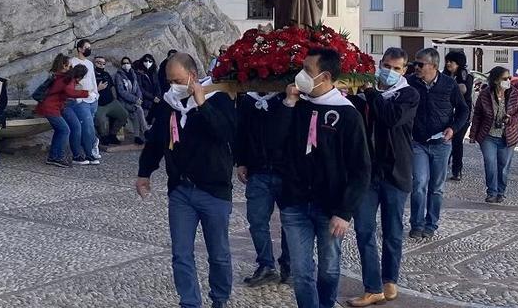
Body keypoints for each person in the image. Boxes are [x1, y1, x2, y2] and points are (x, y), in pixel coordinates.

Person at [137, 53, 236, 308]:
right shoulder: (170, 103)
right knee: (181, 253)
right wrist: (144, 173)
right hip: (181, 189)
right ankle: (189, 302)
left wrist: (202, 103)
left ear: (192, 76)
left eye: (177, 80)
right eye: (169, 81)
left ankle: (220, 298)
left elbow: (224, 133)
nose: (173, 86)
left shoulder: (219, 99)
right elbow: (157, 140)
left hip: (213, 190)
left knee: (219, 254)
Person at [278, 47, 371, 308]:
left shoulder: (348, 114)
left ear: (326, 76)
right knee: (300, 271)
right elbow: (277, 143)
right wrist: (288, 104)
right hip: (295, 203)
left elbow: (360, 168)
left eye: (308, 71)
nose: (301, 76)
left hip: (330, 207)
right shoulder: (297, 106)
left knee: (328, 268)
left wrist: (344, 210)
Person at [347, 48, 419, 307]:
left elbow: (391, 118)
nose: (389, 71)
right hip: (368, 174)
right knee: (363, 229)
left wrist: (370, 93)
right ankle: (372, 287)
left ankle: (390, 279)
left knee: (392, 231)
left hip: (395, 173)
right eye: (386, 65)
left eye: (396, 68)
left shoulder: (409, 94)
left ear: (405, 70)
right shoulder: (367, 95)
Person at [407, 48, 469, 239]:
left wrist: (454, 129)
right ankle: (416, 224)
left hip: (441, 142)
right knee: (418, 183)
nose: (416, 67)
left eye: (420, 64)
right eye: (415, 63)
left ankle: (431, 224)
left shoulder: (449, 84)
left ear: (433, 66)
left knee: (436, 187)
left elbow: (463, 111)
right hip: (418, 142)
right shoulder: (410, 83)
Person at [235, 89, 291, 287]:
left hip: (286, 171)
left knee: (290, 221)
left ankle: (289, 265)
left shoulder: (288, 97)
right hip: (258, 170)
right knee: (257, 220)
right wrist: (241, 161)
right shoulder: (249, 101)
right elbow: (240, 132)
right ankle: (266, 264)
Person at [469, 67, 518, 203]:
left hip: (508, 135)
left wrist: (511, 119)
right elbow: (477, 115)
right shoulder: (485, 94)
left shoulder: (514, 93)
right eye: (505, 79)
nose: (508, 81)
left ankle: (501, 191)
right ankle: (492, 192)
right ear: (495, 80)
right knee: (490, 164)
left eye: (509, 78)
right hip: (488, 135)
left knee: (503, 165)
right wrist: (473, 134)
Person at [36, 54, 93, 167]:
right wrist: (87, 93)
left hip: (54, 107)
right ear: (64, 65)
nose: (71, 66)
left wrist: (80, 86)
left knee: (61, 130)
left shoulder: (61, 76)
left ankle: (54, 157)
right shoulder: (63, 78)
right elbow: (70, 91)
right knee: (65, 130)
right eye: (70, 65)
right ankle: (58, 157)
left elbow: (73, 88)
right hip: (52, 107)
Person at [442, 51, 474, 181]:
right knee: (444, 140)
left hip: (462, 114)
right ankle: (444, 166)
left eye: (452, 61)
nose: (448, 64)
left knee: (456, 141)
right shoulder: (444, 74)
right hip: (446, 113)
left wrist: (450, 85)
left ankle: (457, 170)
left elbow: (464, 90)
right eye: (447, 61)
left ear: (459, 63)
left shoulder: (466, 76)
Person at [69, 39, 100, 159]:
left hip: (92, 99)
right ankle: (89, 152)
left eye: (89, 47)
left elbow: (93, 80)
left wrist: (96, 95)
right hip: (80, 99)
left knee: (88, 125)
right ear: (80, 49)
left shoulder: (90, 63)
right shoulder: (72, 62)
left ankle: (90, 146)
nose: (88, 49)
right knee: (87, 126)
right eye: (86, 47)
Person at [93, 55, 128, 145]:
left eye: (103, 63)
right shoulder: (91, 75)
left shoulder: (106, 74)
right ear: (94, 63)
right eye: (98, 63)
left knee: (124, 115)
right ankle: (104, 137)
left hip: (111, 102)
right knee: (100, 120)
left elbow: (112, 86)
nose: (101, 65)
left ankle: (113, 134)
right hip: (99, 104)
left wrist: (115, 98)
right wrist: (98, 89)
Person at [115, 56, 148, 145]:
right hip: (124, 102)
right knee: (138, 110)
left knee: (137, 113)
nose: (126, 65)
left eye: (128, 63)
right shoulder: (118, 75)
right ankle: (145, 131)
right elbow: (121, 91)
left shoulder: (133, 74)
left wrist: (139, 98)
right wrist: (135, 99)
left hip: (134, 101)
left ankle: (137, 136)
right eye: (124, 63)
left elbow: (137, 88)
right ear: (121, 65)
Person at [135, 54, 161, 120]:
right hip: (145, 99)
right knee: (146, 117)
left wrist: (158, 96)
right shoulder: (139, 73)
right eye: (146, 61)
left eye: (150, 61)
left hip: (155, 98)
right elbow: (140, 88)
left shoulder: (153, 72)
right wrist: (152, 98)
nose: (148, 63)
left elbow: (157, 84)